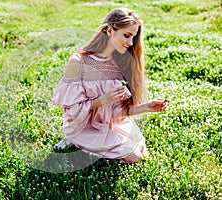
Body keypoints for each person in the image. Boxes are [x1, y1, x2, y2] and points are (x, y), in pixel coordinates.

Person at [52, 8, 170, 164]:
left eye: (133, 37)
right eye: (126, 36)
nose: (130, 43)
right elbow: (71, 111)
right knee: (132, 157)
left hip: (109, 126)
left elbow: (117, 113)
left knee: (138, 154)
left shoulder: (120, 63)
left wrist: (147, 107)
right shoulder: (79, 62)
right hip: (83, 128)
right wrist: (102, 100)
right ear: (109, 30)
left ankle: (94, 147)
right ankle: (75, 141)